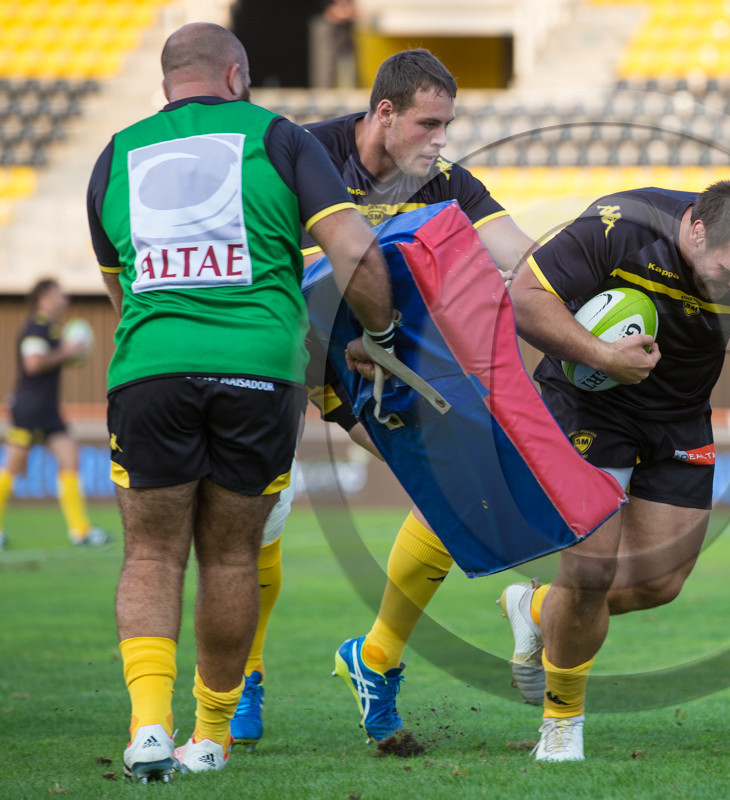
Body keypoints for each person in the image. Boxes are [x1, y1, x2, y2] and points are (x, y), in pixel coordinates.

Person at [86, 22, 395, 781]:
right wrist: (381, 329)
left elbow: (118, 287)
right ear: (236, 77)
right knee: (229, 554)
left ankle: (149, 729)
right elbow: (352, 249)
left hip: (152, 368)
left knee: (152, 553)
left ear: (168, 86)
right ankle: (213, 736)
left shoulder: (115, 154)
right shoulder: (282, 138)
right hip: (258, 370)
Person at [500, 180, 730, 761]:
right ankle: (562, 725)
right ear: (696, 230)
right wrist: (605, 357)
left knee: (658, 582)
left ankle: (534, 607)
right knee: (592, 571)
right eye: (729, 273)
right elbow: (526, 297)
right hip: (588, 404)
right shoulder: (620, 226)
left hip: (678, 420)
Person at [227, 48, 539, 749]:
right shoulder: (305, 157)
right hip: (277, 354)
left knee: (451, 489)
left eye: (449, 125)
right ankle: (244, 673)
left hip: (372, 360)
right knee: (257, 525)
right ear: (385, 114)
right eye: (429, 124)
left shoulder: (443, 180)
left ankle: (374, 660)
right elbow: (295, 278)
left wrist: (585, 273)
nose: (441, 140)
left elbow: (518, 250)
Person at [0, 279, 108, 551]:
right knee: (13, 467)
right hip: (30, 408)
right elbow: (34, 363)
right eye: (59, 292)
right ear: (45, 296)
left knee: (70, 458)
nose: (65, 297)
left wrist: (69, 355)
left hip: (48, 409)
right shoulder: (36, 326)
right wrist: (68, 351)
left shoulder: (52, 327)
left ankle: (80, 531)